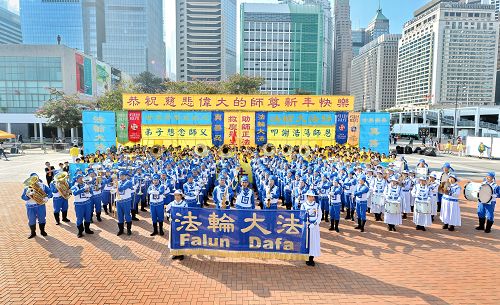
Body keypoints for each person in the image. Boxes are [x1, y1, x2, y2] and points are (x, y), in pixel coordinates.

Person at [22, 173, 52, 239]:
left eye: (36, 179)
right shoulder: (27, 188)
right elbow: (23, 197)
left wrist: (47, 197)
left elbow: (50, 192)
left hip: (40, 205)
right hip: (30, 206)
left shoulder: (42, 185)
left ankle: (42, 231)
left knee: (42, 219)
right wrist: (28, 196)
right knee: (31, 220)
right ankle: (33, 232)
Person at [301, 190, 321, 266]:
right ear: (307, 197)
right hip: (306, 226)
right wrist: (306, 221)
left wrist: (315, 224)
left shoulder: (317, 205)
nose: (311, 198)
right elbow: (301, 215)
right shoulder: (304, 205)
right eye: (309, 196)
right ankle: (307, 257)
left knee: (313, 242)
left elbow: (319, 216)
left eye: (312, 196)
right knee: (306, 242)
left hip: (314, 227)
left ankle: (311, 258)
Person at [166, 190, 187, 261]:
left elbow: (186, 213)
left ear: (181, 196)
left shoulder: (184, 204)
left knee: (181, 238)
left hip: (181, 224)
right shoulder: (172, 203)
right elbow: (167, 210)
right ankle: (175, 253)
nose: (177, 197)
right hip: (174, 224)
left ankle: (181, 253)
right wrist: (169, 216)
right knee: (173, 238)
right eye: (176, 195)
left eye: (178, 195)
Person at [115, 171, 133, 236]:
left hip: (126, 201)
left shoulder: (128, 182)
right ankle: (121, 230)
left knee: (127, 215)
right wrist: (113, 190)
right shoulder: (118, 182)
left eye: (123, 175)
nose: (121, 177)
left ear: (126, 176)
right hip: (119, 201)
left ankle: (128, 230)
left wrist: (116, 185)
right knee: (119, 215)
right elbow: (115, 190)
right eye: (120, 175)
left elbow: (122, 188)